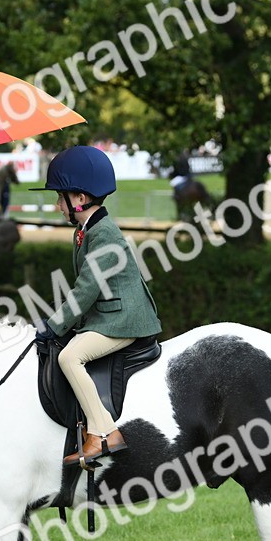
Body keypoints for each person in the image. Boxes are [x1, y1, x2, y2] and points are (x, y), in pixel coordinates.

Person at [33, 146, 162, 466]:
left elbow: (88, 287)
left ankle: (103, 432)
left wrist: (55, 324)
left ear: (79, 199)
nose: (57, 204)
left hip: (123, 319)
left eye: (60, 197)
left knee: (69, 357)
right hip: (109, 314)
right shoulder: (87, 229)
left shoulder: (103, 233)